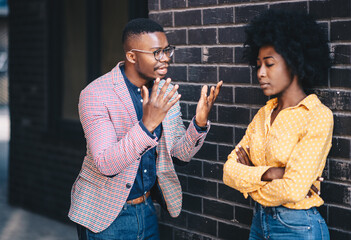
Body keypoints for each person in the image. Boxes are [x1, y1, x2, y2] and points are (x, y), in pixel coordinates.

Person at [68, 18, 222, 240]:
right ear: (132, 56)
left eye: (167, 50)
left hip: (147, 209)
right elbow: (105, 163)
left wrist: (198, 124)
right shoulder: (96, 94)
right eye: (157, 52)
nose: (166, 58)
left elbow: (179, 154)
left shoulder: (163, 91)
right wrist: (147, 125)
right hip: (105, 216)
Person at [223, 9, 333, 240]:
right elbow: (228, 171)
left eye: (270, 64)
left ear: (294, 62)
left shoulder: (316, 116)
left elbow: (293, 189)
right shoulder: (264, 114)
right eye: (258, 65)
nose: (261, 73)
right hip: (259, 223)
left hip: (298, 228)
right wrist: (271, 173)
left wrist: (251, 178)